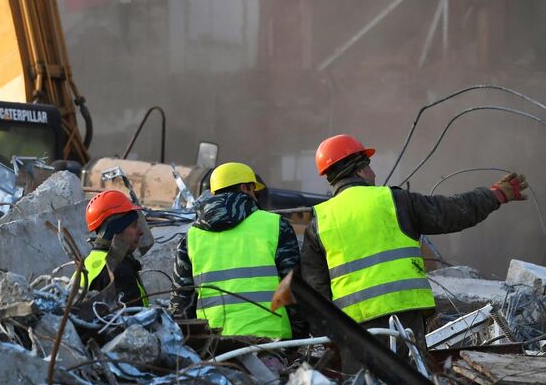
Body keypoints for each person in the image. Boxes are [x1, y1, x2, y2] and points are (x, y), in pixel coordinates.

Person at [302, 133, 527, 346]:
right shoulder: (394, 200)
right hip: (404, 319)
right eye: (368, 166)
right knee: (409, 382)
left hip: (354, 329)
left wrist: (330, 338)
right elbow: (450, 212)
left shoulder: (320, 221)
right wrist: (495, 195)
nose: (373, 173)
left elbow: (315, 290)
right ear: (359, 171)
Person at [172, 162, 300, 339]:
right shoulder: (276, 226)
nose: (256, 195)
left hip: (215, 345)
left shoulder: (191, 238)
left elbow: (181, 303)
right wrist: (298, 338)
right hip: (272, 340)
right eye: (254, 189)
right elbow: (295, 288)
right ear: (245, 187)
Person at [81, 190, 150, 307]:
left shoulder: (87, 263)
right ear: (115, 230)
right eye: (133, 225)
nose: (140, 232)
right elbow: (135, 321)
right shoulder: (119, 271)